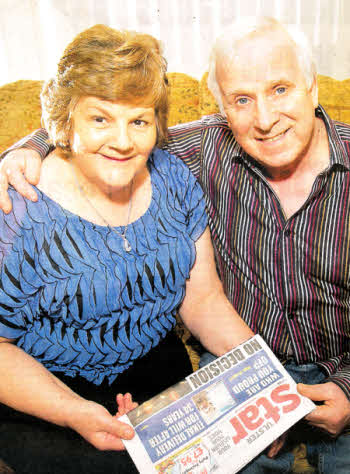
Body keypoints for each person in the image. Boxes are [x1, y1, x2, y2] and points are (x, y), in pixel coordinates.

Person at [2, 16, 350, 473]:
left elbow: (202, 298)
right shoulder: (20, 205)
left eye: (139, 121)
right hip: (43, 388)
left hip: (174, 369)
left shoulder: (171, 175)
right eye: (242, 99)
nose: (123, 141)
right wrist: (29, 146)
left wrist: (271, 386)